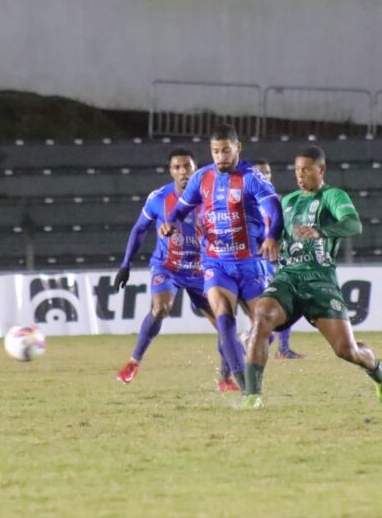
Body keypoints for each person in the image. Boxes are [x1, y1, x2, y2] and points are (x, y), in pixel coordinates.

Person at [242, 146, 382, 408]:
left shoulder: (333, 196)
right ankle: (252, 397)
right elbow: (277, 229)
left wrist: (320, 231)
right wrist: (272, 241)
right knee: (262, 314)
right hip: (288, 276)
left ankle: (379, 371)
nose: (300, 176)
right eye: (297, 170)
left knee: (347, 351)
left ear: (320, 170)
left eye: (306, 170)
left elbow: (353, 225)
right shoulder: (287, 201)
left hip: (320, 280)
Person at [161, 124, 283, 390]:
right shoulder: (202, 177)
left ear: (237, 148)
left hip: (251, 264)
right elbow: (181, 210)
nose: (221, 157)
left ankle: (247, 349)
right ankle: (245, 384)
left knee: (265, 328)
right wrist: (170, 222)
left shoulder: (252, 178)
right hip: (217, 263)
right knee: (224, 317)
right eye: (216, 151)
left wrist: (272, 235)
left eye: (226, 150)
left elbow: (275, 209)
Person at [113, 148, 240, 391]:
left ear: (195, 168)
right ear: (171, 171)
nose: (183, 171)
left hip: (202, 270)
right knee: (161, 308)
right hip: (168, 267)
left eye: (187, 166)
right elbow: (140, 228)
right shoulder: (159, 198)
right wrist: (125, 264)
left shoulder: (211, 196)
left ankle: (224, 379)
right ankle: (133, 362)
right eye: (177, 167)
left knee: (226, 325)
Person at [250, 159, 303, 360]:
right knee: (261, 308)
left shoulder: (278, 200)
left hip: (276, 259)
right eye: (261, 173)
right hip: (255, 261)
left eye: (268, 172)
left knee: (286, 300)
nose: (265, 176)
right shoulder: (248, 201)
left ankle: (283, 348)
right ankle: (250, 340)